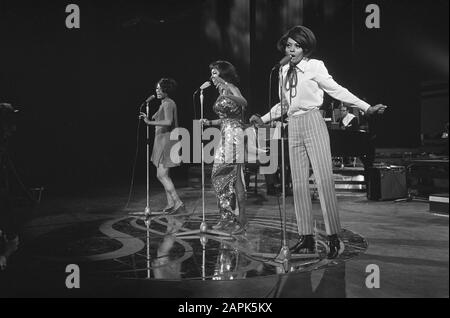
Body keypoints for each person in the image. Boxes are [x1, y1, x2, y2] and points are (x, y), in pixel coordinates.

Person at [250, 26, 387, 258]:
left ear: (306, 48)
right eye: (288, 45)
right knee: (299, 184)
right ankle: (306, 237)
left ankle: (333, 235)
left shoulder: (315, 66)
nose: (291, 50)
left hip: (313, 121)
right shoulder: (283, 70)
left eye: (296, 46)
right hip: (292, 125)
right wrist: (262, 118)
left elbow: (337, 90)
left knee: (324, 180)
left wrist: (366, 107)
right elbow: (284, 104)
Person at [202, 61, 248, 235]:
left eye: (214, 73)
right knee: (218, 175)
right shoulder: (221, 91)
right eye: (211, 73)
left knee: (236, 179)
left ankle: (242, 220)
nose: (212, 77)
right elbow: (224, 119)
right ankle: (226, 217)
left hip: (235, 135)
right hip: (225, 134)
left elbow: (243, 102)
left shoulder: (229, 87)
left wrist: (229, 95)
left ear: (222, 74)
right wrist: (209, 122)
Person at [140, 78, 185, 214]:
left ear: (167, 90)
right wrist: (147, 117)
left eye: (160, 89)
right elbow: (159, 119)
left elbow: (168, 121)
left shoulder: (168, 103)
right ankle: (171, 202)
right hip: (162, 140)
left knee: (161, 175)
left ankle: (177, 202)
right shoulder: (164, 103)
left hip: (166, 141)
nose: (157, 91)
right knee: (165, 174)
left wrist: (148, 122)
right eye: (157, 88)